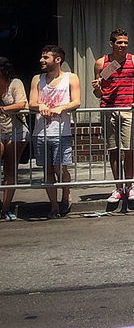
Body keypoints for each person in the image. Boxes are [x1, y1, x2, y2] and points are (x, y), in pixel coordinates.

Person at [93, 28, 134, 204]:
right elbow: (98, 93)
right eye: (119, 42)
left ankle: (129, 187)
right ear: (111, 43)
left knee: (128, 149)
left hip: (127, 108)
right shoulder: (101, 62)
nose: (123, 45)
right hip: (108, 109)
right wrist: (97, 88)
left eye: (125, 42)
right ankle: (118, 187)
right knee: (113, 150)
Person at [29, 45, 80, 218]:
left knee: (60, 167)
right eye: (42, 57)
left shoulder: (70, 77)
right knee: (48, 171)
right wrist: (40, 105)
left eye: (46, 58)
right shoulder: (38, 79)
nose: (42, 61)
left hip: (61, 131)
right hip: (40, 132)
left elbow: (76, 101)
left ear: (57, 60)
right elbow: (32, 103)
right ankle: (54, 206)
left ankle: (66, 195)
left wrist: (62, 107)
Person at [0, 57, 28, 220]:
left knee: (10, 170)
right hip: (0, 129)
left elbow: (21, 104)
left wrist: (3, 108)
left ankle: (6, 207)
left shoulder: (14, 83)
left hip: (16, 130)